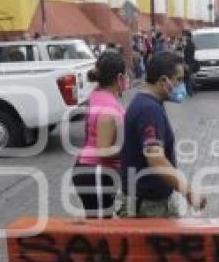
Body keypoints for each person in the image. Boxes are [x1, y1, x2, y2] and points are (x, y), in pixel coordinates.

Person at [117, 51, 206, 218]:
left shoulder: (146, 103)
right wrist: (188, 192)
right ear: (164, 80)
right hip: (147, 207)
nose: (181, 85)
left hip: (150, 202)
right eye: (178, 80)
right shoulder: (149, 110)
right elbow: (156, 158)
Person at [72, 52, 128, 218]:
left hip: (90, 171)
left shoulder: (97, 94)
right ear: (119, 77)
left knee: (98, 228)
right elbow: (103, 151)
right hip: (96, 173)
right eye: (126, 75)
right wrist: (130, 146)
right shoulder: (108, 109)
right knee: (100, 230)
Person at [182, 30, 197, 98]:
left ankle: (190, 92)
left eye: (185, 36)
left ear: (188, 37)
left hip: (188, 63)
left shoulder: (189, 45)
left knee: (188, 78)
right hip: (191, 62)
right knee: (188, 77)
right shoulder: (191, 44)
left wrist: (186, 64)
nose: (184, 37)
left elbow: (187, 56)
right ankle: (190, 91)